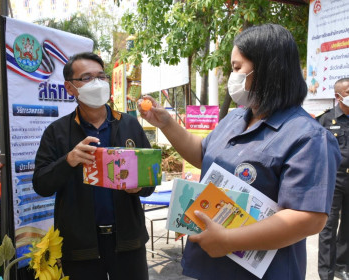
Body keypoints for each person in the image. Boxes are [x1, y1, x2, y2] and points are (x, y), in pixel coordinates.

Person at [138, 24, 341, 280]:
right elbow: (203, 154)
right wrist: (166, 123)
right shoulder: (237, 118)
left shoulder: (308, 137)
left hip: (264, 272)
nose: (232, 77)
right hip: (210, 266)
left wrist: (230, 240)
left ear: (268, 69)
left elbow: (308, 218)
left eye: (236, 68)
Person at [33, 52, 154, 280]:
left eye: (101, 76)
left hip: (128, 241)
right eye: (87, 78)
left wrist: (138, 187)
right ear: (70, 88)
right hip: (80, 247)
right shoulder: (57, 132)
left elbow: (149, 180)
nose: (97, 83)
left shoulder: (129, 125)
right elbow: (41, 184)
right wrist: (69, 161)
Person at [317, 78, 349, 280]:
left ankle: (341, 266)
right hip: (332, 181)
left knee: (347, 227)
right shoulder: (325, 120)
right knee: (328, 228)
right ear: (338, 96)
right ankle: (326, 273)